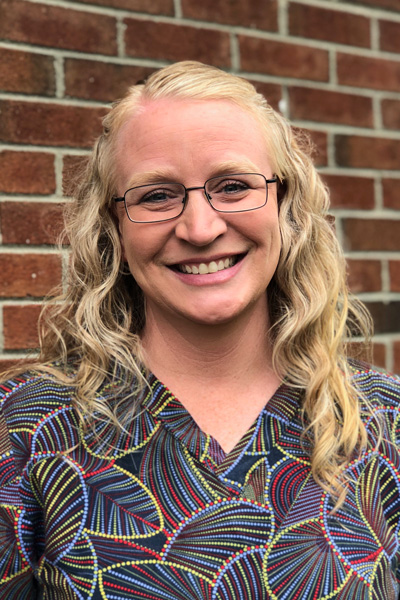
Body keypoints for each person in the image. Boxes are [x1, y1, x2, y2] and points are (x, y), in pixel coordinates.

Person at [0, 60, 399, 600]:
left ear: (287, 206)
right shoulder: (28, 428)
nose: (200, 228)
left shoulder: (384, 420)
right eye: (156, 195)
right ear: (112, 229)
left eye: (233, 186)